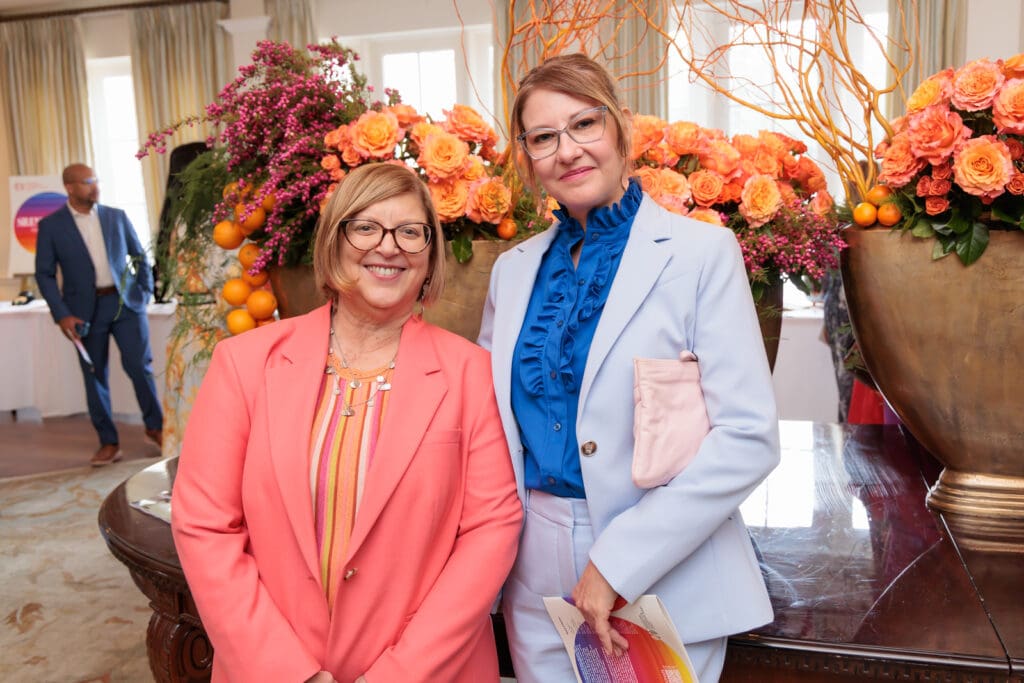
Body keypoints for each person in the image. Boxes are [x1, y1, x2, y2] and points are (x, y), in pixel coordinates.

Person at [478, 53, 781, 682]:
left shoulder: (702, 254)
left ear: (619, 129)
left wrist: (618, 561)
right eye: (543, 137)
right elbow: (487, 429)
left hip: (660, 571)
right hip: (530, 573)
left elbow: (747, 437)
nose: (568, 151)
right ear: (527, 158)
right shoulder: (512, 272)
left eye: (584, 124)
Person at [171, 162, 523, 683]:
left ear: (430, 255)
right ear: (333, 242)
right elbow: (204, 525)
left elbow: (490, 530)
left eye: (410, 231)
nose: (390, 246)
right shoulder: (245, 363)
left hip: (429, 670)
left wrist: (399, 674)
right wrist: (289, 672)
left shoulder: (472, 374)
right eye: (366, 227)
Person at [34, 163, 164, 466]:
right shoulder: (52, 226)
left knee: (139, 367)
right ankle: (108, 442)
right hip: (82, 313)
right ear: (69, 187)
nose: (95, 187)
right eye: (88, 181)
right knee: (95, 376)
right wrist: (62, 315)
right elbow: (44, 275)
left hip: (125, 305)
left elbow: (139, 257)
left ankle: (155, 428)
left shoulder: (115, 217)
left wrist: (143, 291)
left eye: (96, 180)